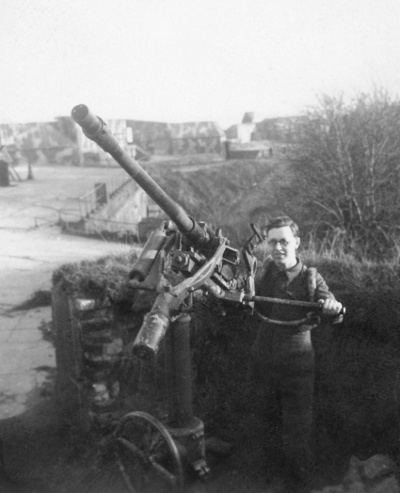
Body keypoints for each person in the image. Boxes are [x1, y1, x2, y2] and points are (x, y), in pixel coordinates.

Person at [250, 216, 342, 491]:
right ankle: (266, 477)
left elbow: (332, 306)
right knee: (263, 416)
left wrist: (331, 307)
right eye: (273, 242)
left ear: (297, 243)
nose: (278, 248)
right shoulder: (263, 273)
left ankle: (299, 481)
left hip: (297, 364)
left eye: (284, 242)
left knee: (297, 426)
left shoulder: (311, 278)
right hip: (262, 359)